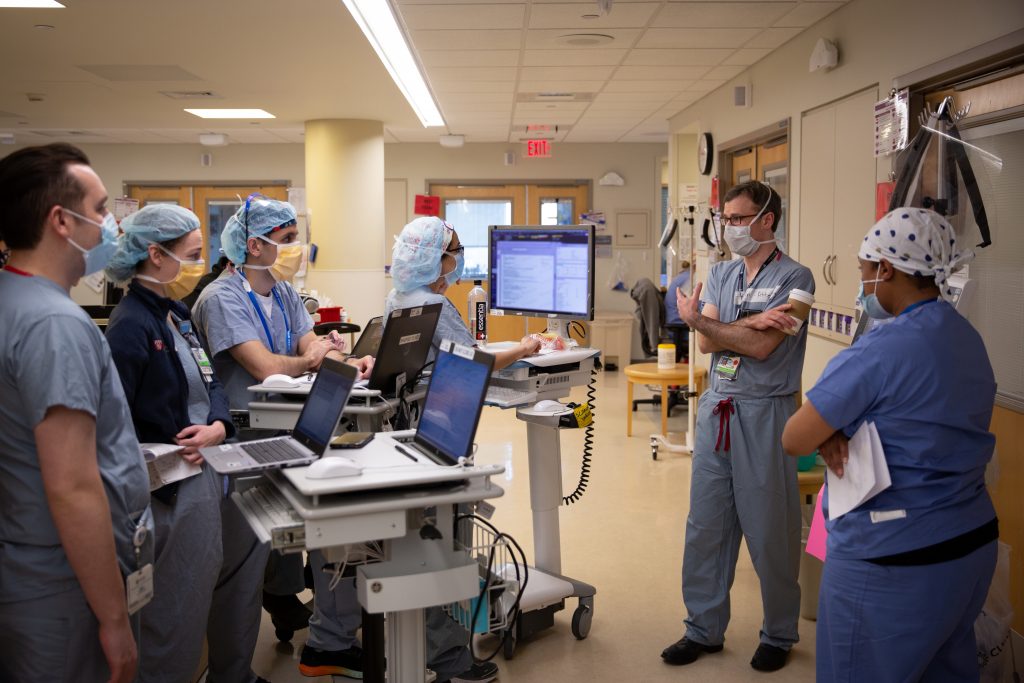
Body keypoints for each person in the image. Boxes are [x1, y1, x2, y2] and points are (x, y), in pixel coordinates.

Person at [782, 208, 998, 681]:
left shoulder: (881, 348)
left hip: (895, 556)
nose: (862, 288)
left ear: (886, 270)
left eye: (863, 272)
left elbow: (795, 436)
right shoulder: (967, 338)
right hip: (971, 547)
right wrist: (837, 426)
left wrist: (830, 429)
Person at [191, 195, 372, 679]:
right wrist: (311, 359)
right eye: (288, 240)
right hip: (241, 440)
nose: (296, 248)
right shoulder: (222, 298)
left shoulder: (283, 289)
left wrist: (344, 360)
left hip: (287, 430)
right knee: (240, 569)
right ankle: (230, 672)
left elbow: (308, 342)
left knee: (313, 530)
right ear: (255, 243)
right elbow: (266, 367)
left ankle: (317, 627)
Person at [0, 143, 150, 682]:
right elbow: (72, 485)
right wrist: (113, 620)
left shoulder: (13, 300)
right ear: (61, 220)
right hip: (60, 585)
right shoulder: (54, 325)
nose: (111, 224)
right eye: (103, 208)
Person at [103, 204, 271, 683]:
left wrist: (219, 426)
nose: (199, 265)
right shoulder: (131, 326)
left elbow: (211, 381)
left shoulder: (176, 314)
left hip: (205, 471)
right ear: (155, 255)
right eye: (192, 255)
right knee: (171, 617)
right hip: (166, 490)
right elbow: (114, 423)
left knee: (199, 594)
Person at [661, 180, 813, 672]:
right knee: (706, 524)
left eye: (738, 219)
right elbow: (708, 348)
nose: (729, 228)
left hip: (767, 413)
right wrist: (747, 323)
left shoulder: (799, 280)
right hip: (718, 407)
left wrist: (710, 324)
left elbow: (765, 349)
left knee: (771, 529)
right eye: (725, 219)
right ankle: (702, 629)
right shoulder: (722, 273)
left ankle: (779, 632)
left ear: (767, 219)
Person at [387, 216, 539, 371]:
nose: (460, 254)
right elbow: (478, 364)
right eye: (457, 249)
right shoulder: (434, 304)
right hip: (440, 393)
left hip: (412, 392)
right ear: (435, 258)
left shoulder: (395, 297)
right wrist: (523, 349)